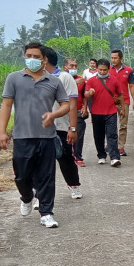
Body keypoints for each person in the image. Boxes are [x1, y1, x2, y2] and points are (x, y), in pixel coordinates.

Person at [0, 42, 69, 228]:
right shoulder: (14, 78)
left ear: (44, 60)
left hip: (46, 137)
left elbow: (66, 105)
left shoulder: (54, 81)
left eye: (37, 57)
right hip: (22, 135)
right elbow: (6, 105)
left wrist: (53, 115)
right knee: (22, 175)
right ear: (24, 56)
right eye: (29, 55)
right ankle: (27, 196)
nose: (33, 59)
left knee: (46, 176)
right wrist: (2, 132)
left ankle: (46, 212)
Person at [41, 46, 82, 200]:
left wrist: (72, 127)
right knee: (42, 162)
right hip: (42, 127)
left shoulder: (64, 78)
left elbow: (72, 104)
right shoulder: (36, 77)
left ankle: (74, 185)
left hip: (61, 126)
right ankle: (41, 195)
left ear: (45, 59)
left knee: (66, 158)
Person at [84, 58, 125, 167]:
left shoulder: (114, 80)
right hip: (96, 112)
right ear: (97, 69)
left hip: (111, 111)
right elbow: (86, 94)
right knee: (98, 135)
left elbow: (120, 95)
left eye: (105, 70)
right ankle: (101, 155)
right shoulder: (91, 81)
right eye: (100, 70)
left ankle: (114, 157)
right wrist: (90, 93)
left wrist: (123, 110)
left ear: (108, 69)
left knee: (112, 134)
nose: (102, 72)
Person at [109, 49, 134, 157]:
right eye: (112, 58)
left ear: (121, 58)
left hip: (124, 101)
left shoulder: (129, 70)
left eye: (115, 58)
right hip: (110, 101)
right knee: (110, 125)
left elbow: (131, 86)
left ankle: (121, 147)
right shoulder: (107, 69)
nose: (113, 60)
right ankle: (110, 145)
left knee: (123, 125)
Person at [69, 59, 89, 166]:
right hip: (64, 112)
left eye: (75, 66)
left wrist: (85, 107)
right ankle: (67, 156)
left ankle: (78, 156)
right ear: (65, 67)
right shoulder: (61, 79)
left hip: (78, 110)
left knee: (79, 134)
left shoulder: (82, 80)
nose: (73, 68)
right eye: (71, 66)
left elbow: (84, 95)